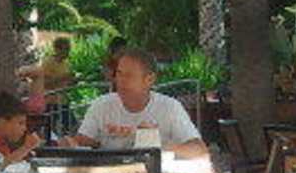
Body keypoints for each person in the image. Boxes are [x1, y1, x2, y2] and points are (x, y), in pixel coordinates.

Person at [63, 46, 207, 159]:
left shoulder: (169, 108)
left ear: (149, 79)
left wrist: (155, 149)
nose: (120, 81)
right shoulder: (101, 105)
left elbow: (199, 149)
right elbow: (83, 141)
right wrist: (71, 144)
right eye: (119, 73)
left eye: (129, 75)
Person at [0, 92, 42, 165]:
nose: (24, 128)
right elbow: (0, 166)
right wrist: (26, 147)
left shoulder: (4, 145)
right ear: (2, 122)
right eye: (20, 123)